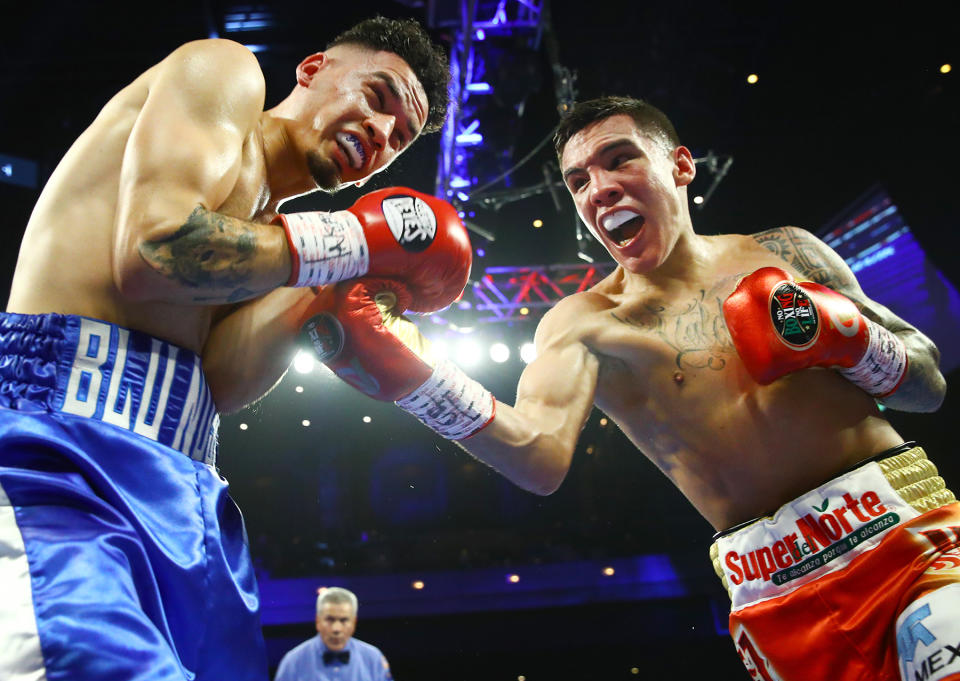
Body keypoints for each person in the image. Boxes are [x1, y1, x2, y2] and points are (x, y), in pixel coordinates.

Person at [305, 96, 960, 681]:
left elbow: (927, 381)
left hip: (909, 541)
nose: (600, 189)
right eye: (579, 180)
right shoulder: (584, 324)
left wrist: (849, 340)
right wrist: (415, 377)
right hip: (773, 597)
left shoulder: (786, 252)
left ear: (680, 165)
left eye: (619, 160)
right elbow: (537, 456)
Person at [0, 15, 472, 681]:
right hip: (63, 454)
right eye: (377, 97)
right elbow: (155, 249)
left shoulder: (275, 241)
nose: (381, 135)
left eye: (400, 139)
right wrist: (347, 243)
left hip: (181, 489)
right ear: (312, 69)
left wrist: (330, 290)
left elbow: (219, 380)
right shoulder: (222, 71)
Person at [274, 587, 392, 681]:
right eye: (330, 620)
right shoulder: (293, 662)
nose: (336, 629)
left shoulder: (373, 658)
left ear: (354, 622)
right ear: (318, 621)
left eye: (344, 620)